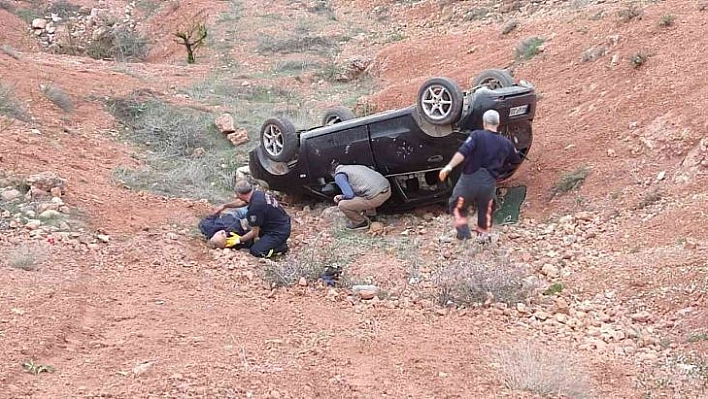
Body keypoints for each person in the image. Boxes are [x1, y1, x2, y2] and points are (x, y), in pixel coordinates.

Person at [438, 109, 522, 242]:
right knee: (486, 209)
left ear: (484, 123)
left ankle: (464, 235)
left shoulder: (477, 135)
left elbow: (463, 152)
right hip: (489, 183)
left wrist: (449, 166)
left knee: (457, 205)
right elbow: (516, 160)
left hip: (469, 180)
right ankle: (483, 236)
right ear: (498, 123)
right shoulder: (505, 143)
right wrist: (500, 173)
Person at [212, 180, 291, 257]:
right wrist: (225, 206)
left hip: (279, 231)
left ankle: (280, 248)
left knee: (256, 250)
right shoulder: (257, 194)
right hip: (279, 222)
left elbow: (254, 232)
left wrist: (239, 240)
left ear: (239, 194)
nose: (235, 196)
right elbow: (242, 202)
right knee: (248, 232)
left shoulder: (255, 209)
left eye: (236, 194)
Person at [332, 163, 391, 230]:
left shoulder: (339, 175)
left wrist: (341, 197)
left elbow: (349, 195)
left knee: (342, 205)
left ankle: (360, 222)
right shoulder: (354, 167)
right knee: (364, 191)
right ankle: (371, 215)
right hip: (387, 189)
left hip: (377, 196)